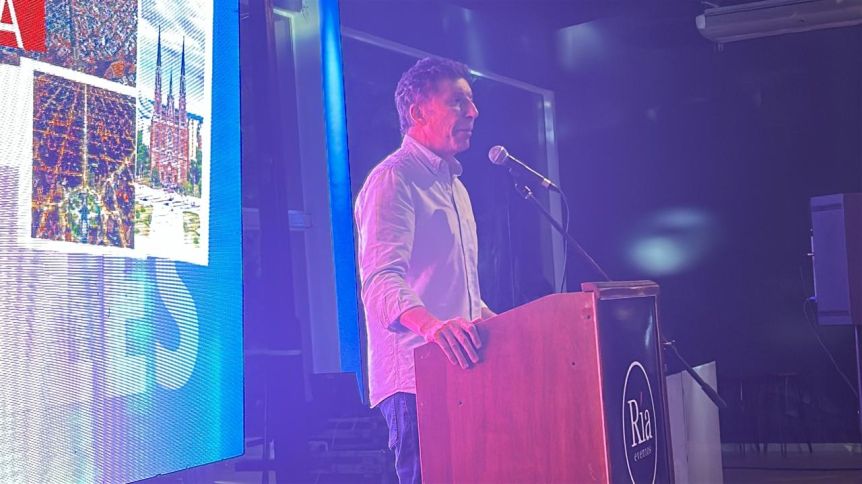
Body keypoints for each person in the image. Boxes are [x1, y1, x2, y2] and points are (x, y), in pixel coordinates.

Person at [354, 57, 496, 483]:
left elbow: (461, 297)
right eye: (458, 102)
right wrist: (434, 328)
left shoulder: (456, 188)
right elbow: (380, 282)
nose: (473, 112)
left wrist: (511, 326)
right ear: (417, 112)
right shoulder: (394, 179)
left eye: (471, 102)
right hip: (417, 384)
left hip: (464, 375)